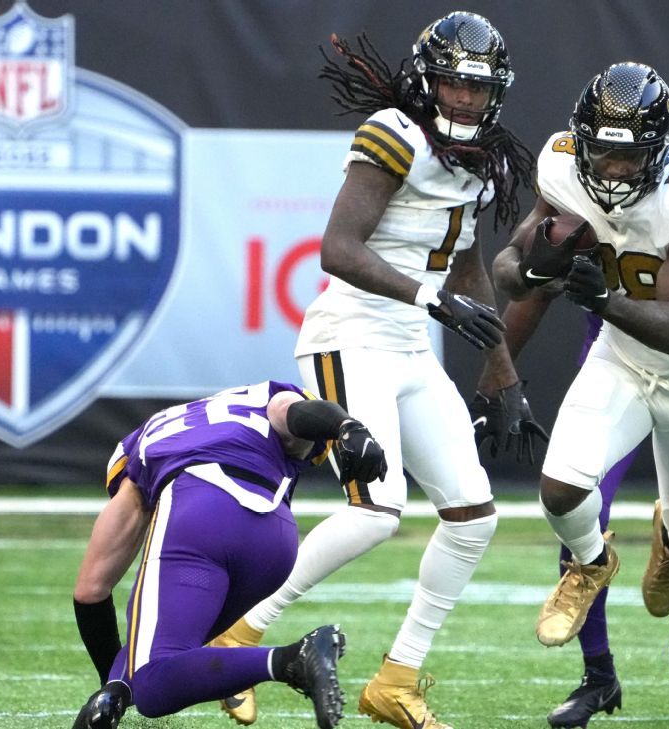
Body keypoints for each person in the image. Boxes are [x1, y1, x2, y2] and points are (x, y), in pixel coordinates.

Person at [207, 12, 535, 729]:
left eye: (478, 89)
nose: (465, 101)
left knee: (474, 516)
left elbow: (470, 263)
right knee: (374, 511)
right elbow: (338, 247)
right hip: (348, 334)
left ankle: (397, 678)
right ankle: (236, 635)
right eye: (452, 83)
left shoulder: (483, 158)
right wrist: (431, 297)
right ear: (425, 79)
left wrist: (501, 368)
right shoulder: (395, 131)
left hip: (410, 345)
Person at [470, 96, 669, 728]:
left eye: (628, 154)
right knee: (565, 488)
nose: (610, 167)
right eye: (601, 151)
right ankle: (592, 592)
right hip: (623, 358)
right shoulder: (565, 165)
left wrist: (599, 296)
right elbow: (515, 269)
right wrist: (531, 272)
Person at [70, 381, 388, 729]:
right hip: (275, 544)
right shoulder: (254, 399)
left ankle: (291, 660)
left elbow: (91, 589)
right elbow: (290, 412)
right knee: (167, 659)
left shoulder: (143, 449)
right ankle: (124, 690)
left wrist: (109, 680)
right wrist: (346, 426)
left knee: (153, 680)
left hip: (201, 515)